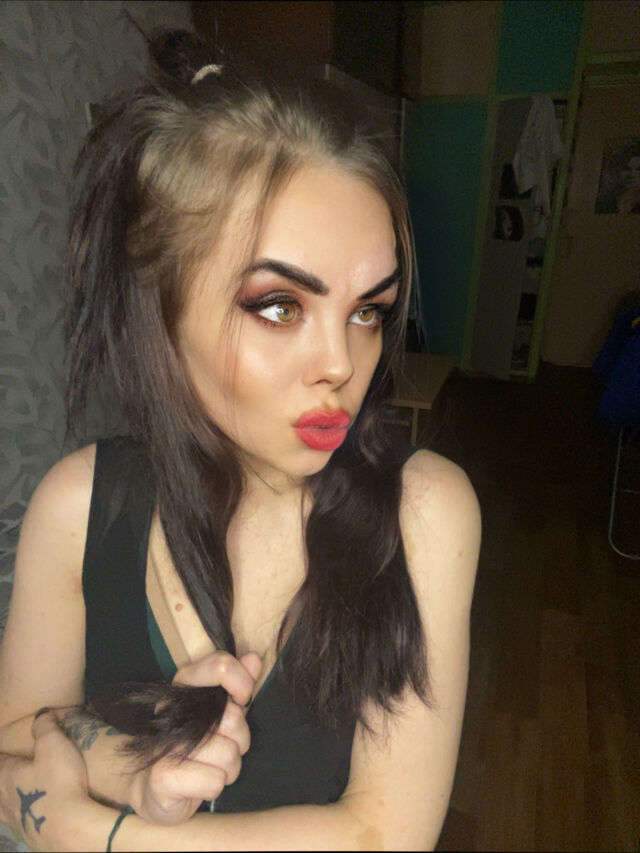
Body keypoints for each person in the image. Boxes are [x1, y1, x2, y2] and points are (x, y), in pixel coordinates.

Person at [0, 30, 480, 851]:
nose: (343, 364)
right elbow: (13, 741)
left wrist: (98, 834)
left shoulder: (425, 515)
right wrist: (124, 763)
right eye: (280, 306)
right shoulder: (78, 507)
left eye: (368, 310)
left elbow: (383, 834)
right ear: (158, 303)